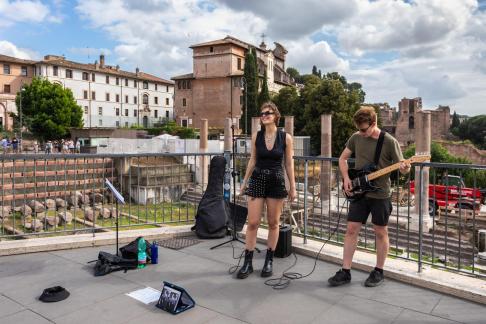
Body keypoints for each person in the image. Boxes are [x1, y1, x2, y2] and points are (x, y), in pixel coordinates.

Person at [327, 106, 411, 287]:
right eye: (359, 129)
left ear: (374, 124)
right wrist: (347, 178)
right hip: (360, 192)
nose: (361, 133)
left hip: (380, 194)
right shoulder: (356, 137)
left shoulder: (389, 142)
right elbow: (342, 160)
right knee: (351, 229)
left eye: (364, 129)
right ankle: (345, 271)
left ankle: (379, 271)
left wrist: (405, 168)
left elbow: (403, 168)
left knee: (380, 232)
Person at [237, 102, 296, 279]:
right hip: (257, 179)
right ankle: (247, 261)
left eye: (267, 113)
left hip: (276, 181)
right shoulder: (256, 136)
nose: (264, 116)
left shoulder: (286, 138)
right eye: (262, 114)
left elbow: (288, 163)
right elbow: (252, 160)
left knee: (273, 223)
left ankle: (269, 260)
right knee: (253, 222)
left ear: (276, 116)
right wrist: (243, 182)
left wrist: (292, 187)